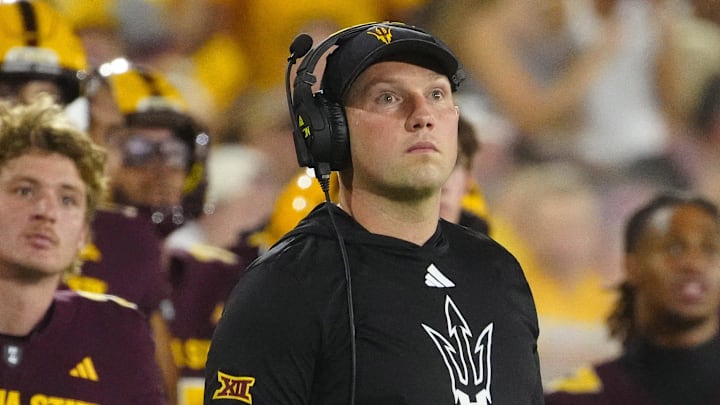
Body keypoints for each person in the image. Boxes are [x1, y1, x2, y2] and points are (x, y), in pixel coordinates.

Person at [205, 21, 543, 404]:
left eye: (436, 94)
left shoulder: (497, 270)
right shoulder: (286, 287)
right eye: (388, 98)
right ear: (331, 132)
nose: (422, 115)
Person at [92, 58, 244, 405]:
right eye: (137, 150)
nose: (160, 167)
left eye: (174, 151)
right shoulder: (58, 280)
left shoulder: (223, 280)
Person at [0, 97, 167, 402]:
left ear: (83, 235)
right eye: (25, 190)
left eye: (68, 199)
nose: (46, 211)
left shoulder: (116, 335)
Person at [544, 192, 720, 405]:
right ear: (632, 265)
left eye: (710, 250)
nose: (694, 264)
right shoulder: (574, 398)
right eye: (674, 249)